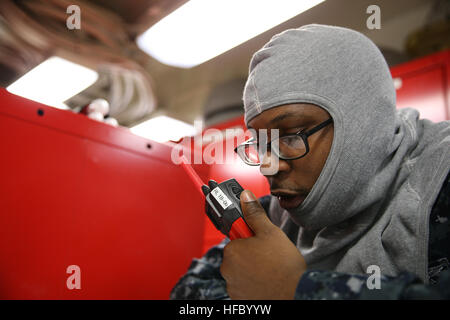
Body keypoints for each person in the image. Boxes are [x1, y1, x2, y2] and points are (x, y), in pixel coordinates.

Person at [170, 24, 450, 300]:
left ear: (362, 122)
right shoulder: (278, 215)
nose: (268, 166)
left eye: (290, 136)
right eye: (260, 142)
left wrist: (293, 289)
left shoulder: (440, 180)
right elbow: (186, 292)